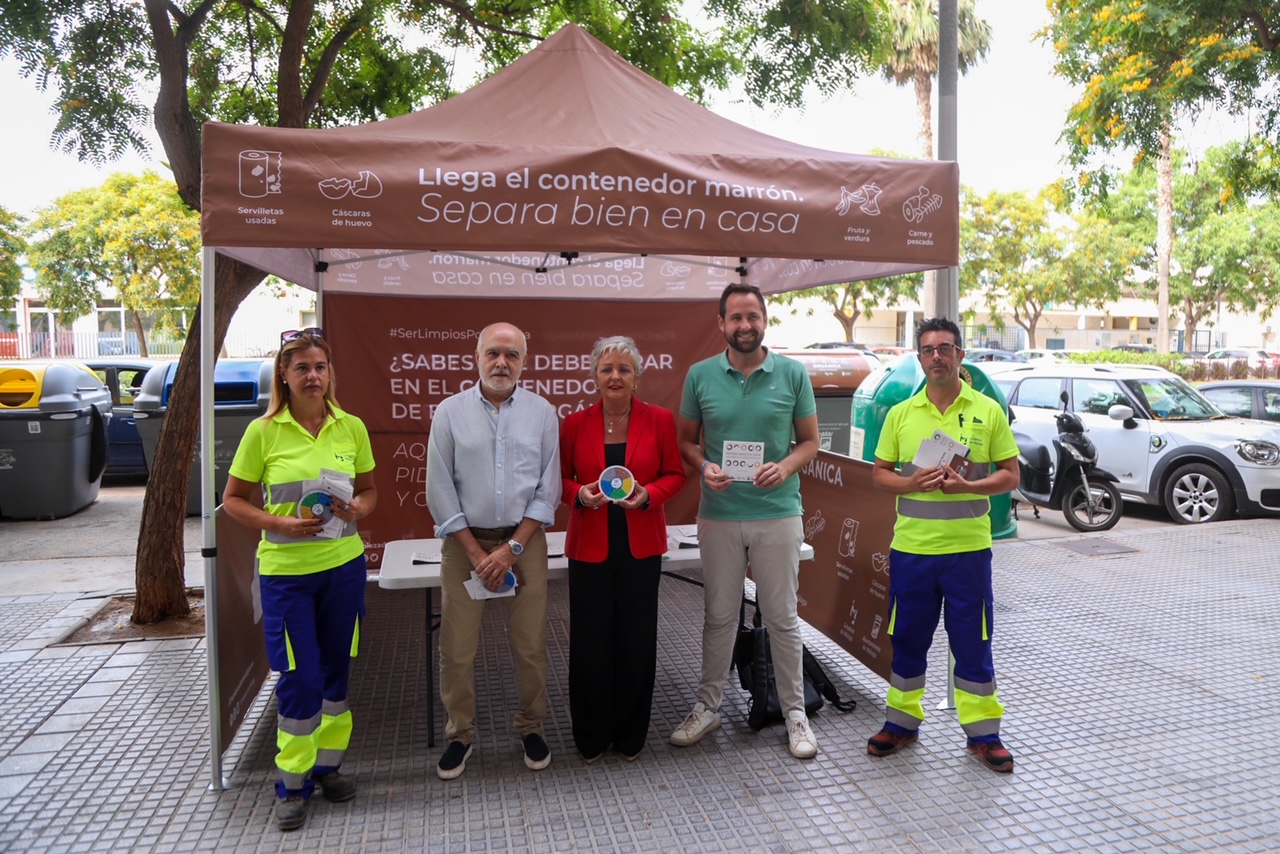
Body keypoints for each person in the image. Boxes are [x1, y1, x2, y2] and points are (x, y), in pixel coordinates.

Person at [223, 328, 377, 831]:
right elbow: (234, 501)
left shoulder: (350, 426)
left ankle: (329, 767)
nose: (313, 376)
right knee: (299, 677)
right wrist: (280, 523)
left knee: (336, 673)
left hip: (343, 569)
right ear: (283, 377)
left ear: (331, 374)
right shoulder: (263, 432)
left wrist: (357, 510)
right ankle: (292, 782)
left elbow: (371, 491)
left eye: (321, 367)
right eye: (302, 368)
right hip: (287, 576)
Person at [670, 283, 821, 759]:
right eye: (735, 318)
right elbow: (687, 442)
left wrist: (786, 466)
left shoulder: (793, 373)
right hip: (719, 515)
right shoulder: (699, 376)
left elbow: (809, 442)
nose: (745, 325)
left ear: (764, 320)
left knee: (782, 617)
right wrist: (704, 466)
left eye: (752, 316)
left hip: (777, 514)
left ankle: (795, 714)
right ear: (721, 324)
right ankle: (708, 705)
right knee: (719, 615)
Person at [866, 317, 1020, 773]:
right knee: (908, 640)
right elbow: (878, 475)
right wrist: (909, 481)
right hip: (912, 552)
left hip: (968, 554)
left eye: (946, 348)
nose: (937, 356)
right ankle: (901, 723)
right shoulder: (901, 414)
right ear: (919, 358)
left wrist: (968, 488)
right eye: (929, 349)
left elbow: (1010, 475)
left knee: (973, 641)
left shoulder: (988, 410)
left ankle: (983, 733)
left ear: (960, 355)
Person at [426, 322, 561, 780]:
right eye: (493, 353)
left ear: (525, 360)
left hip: (525, 542)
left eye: (512, 355)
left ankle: (531, 726)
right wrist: (477, 551)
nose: (502, 362)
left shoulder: (543, 413)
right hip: (464, 544)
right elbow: (439, 489)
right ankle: (459, 735)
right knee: (457, 649)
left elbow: (548, 488)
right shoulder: (449, 412)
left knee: (530, 644)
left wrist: (512, 548)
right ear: (477, 356)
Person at [559, 336, 687, 763]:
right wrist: (581, 494)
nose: (615, 376)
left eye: (624, 369)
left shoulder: (660, 420)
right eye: (607, 369)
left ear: (637, 377)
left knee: (636, 642)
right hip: (589, 546)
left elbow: (675, 475)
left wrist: (649, 494)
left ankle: (631, 734)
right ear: (594, 376)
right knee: (589, 644)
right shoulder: (574, 424)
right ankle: (591, 735)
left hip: (640, 547)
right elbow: (559, 481)